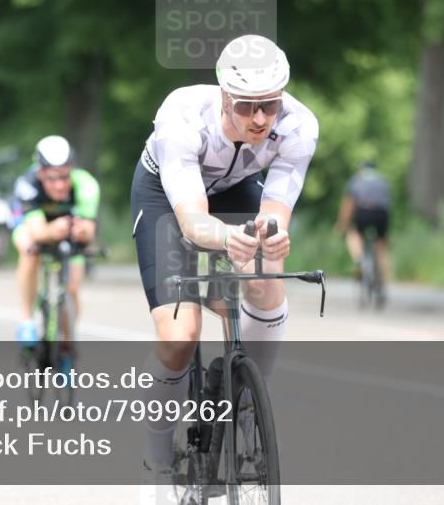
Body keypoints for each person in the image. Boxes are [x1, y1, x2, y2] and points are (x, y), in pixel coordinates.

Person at [130, 34, 318, 478]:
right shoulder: (182, 116)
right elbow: (194, 222)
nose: (258, 118)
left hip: (234, 188)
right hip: (167, 194)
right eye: (245, 106)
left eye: (269, 105)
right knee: (181, 333)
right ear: (224, 96)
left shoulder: (299, 125)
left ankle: (253, 395)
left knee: (266, 271)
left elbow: (275, 211)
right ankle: (157, 448)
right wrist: (227, 237)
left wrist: (270, 237)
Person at [13, 136, 100, 362]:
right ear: (40, 173)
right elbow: (37, 231)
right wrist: (52, 231)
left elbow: (89, 230)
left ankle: (66, 347)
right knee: (28, 248)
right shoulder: (27, 183)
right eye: (52, 178)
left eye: (65, 177)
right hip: (34, 226)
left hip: (67, 227)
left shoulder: (85, 183)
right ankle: (26, 320)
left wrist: (82, 231)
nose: (60, 185)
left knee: (71, 287)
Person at [334, 160, 393, 305]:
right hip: (381, 214)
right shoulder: (382, 181)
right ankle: (383, 286)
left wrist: (341, 225)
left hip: (363, 212)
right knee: (381, 249)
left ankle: (359, 259)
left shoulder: (356, 180)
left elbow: (349, 204)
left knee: (353, 234)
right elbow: (388, 204)